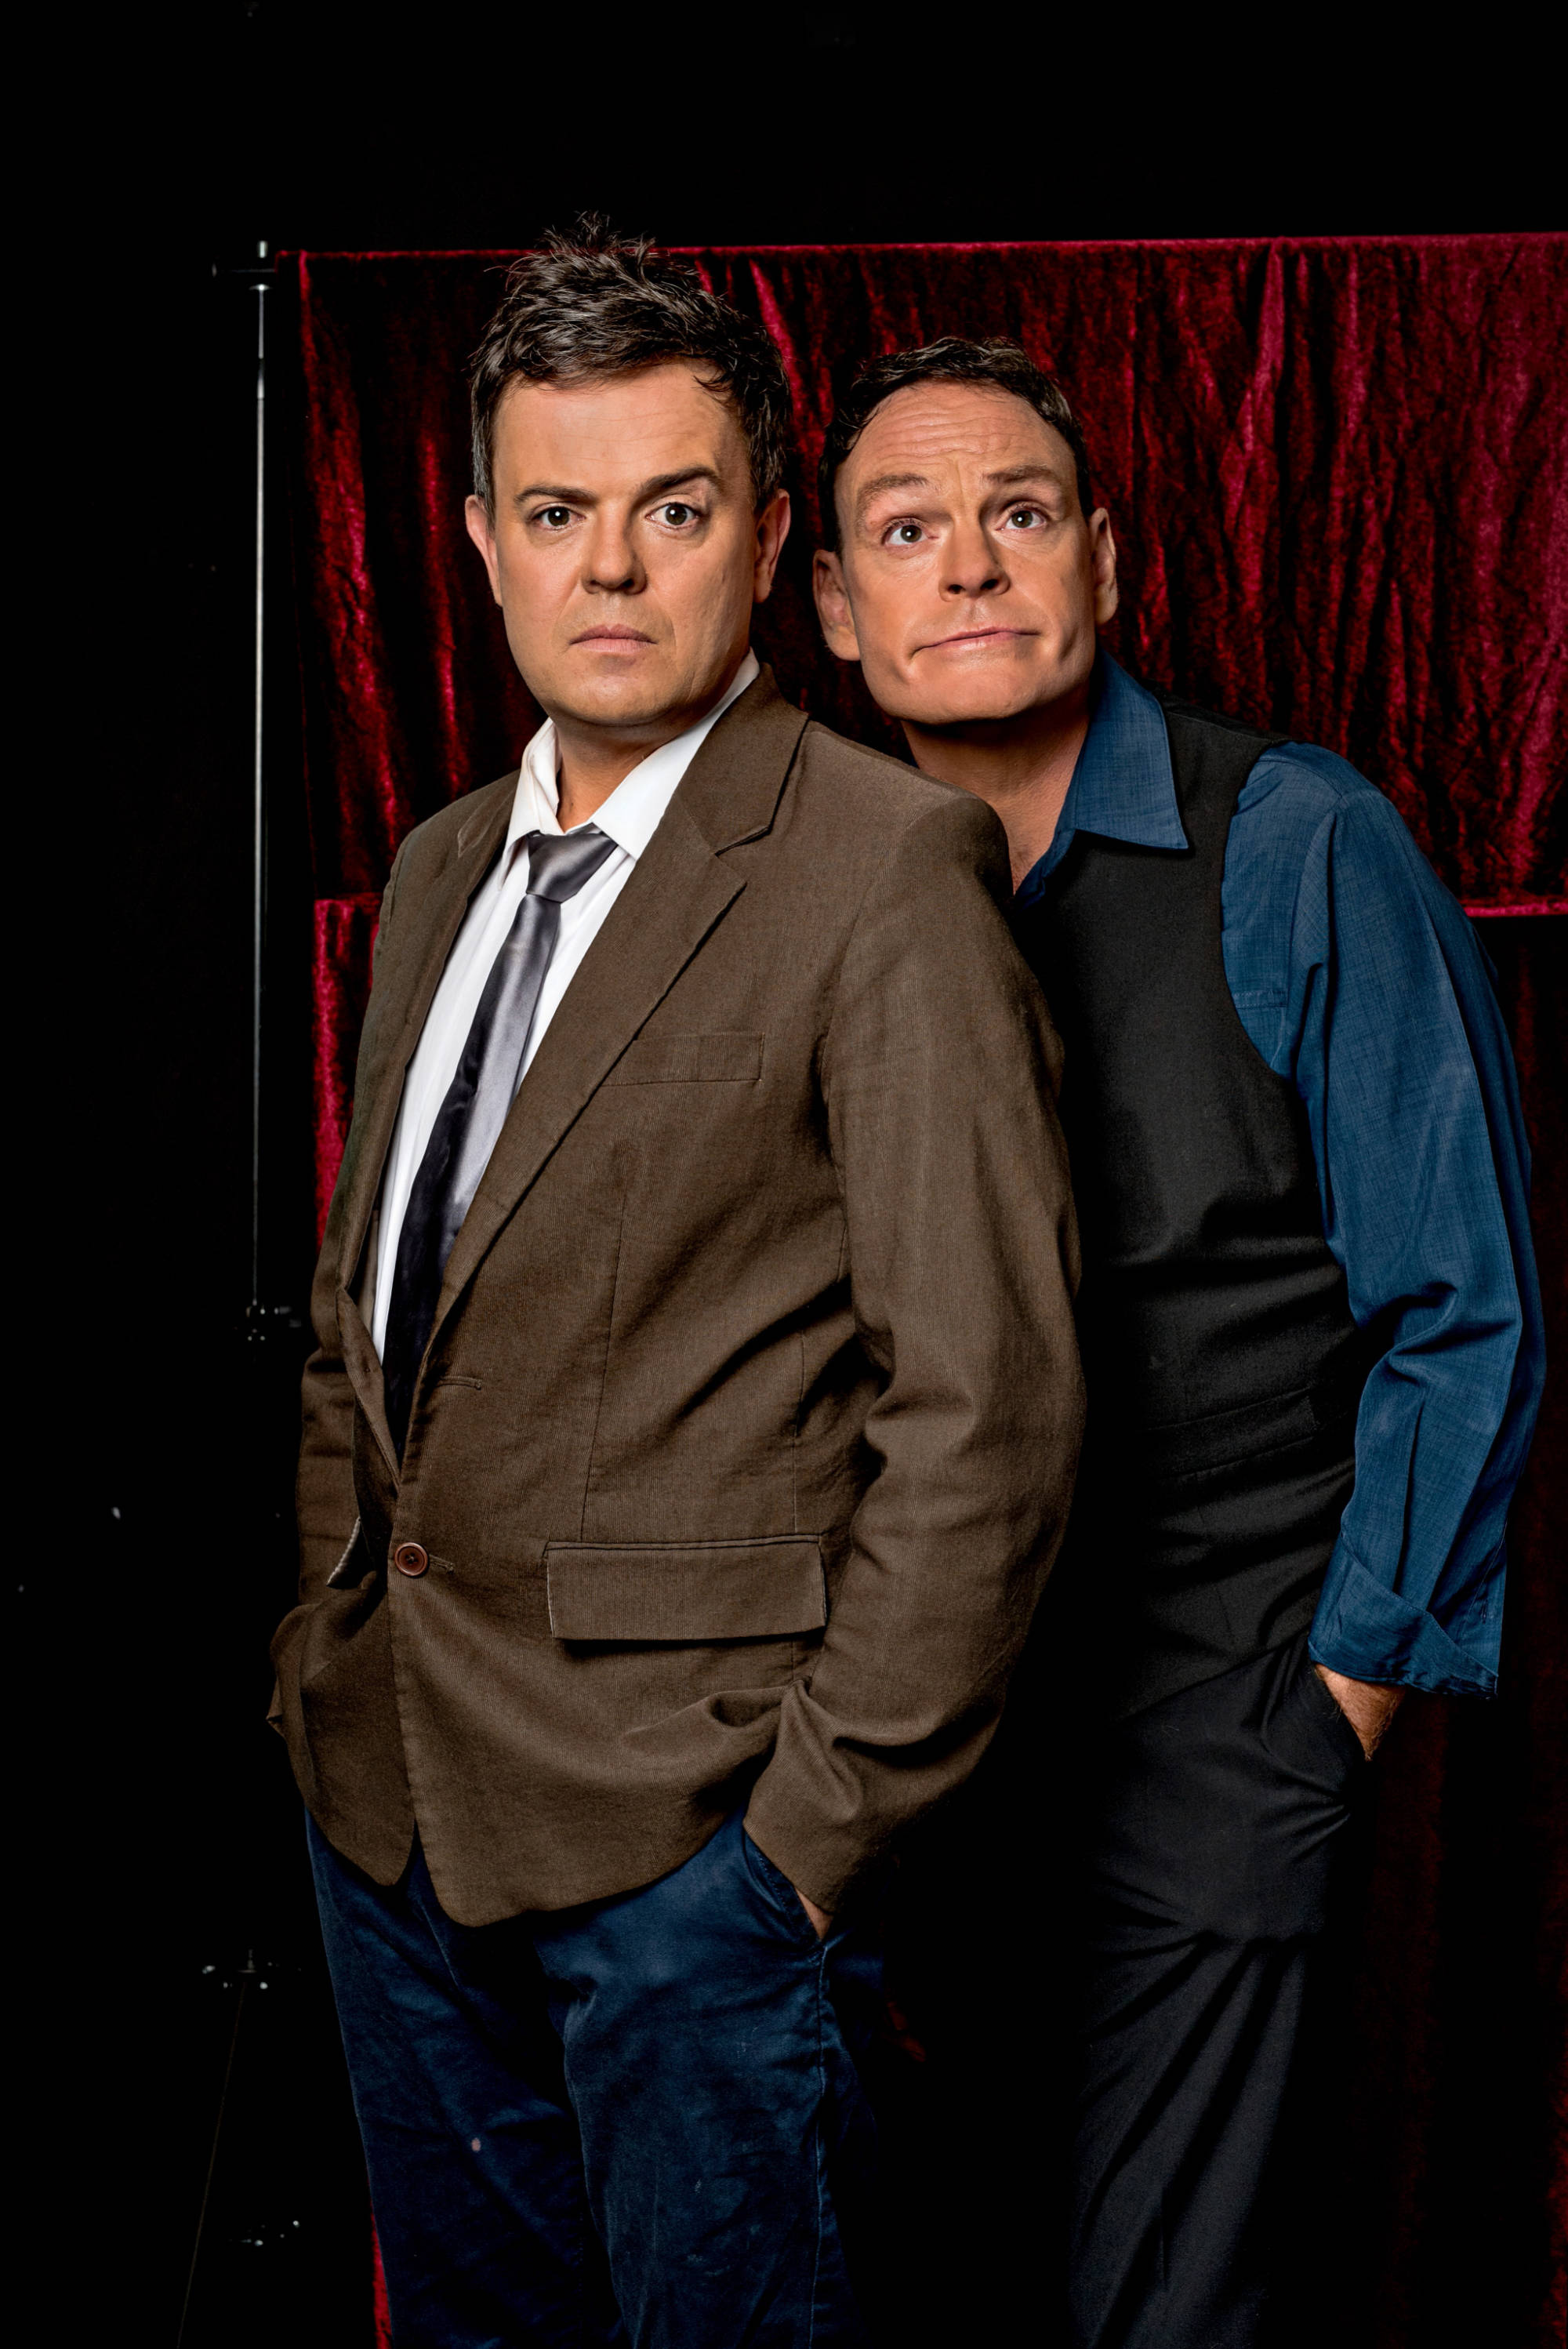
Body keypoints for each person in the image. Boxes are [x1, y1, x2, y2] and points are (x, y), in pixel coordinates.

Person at [269, 241, 1083, 2347]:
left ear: (765, 534)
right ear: (480, 541)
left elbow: (988, 1415)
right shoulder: (440, 867)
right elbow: (371, 1321)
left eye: (675, 507)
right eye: (558, 510)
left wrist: (793, 1853)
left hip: (696, 1867)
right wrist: (322, 1652)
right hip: (393, 1819)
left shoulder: (882, 867)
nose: (611, 567)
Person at [811, 337, 1544, 2349]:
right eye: (908, 530)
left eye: (1019, 514)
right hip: (911, 1749)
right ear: (837, 607)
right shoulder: (804, 885)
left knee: (1162, 2305)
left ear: (1107, 562)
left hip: (1218, 1703)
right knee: (933, 2274)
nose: (971, 564)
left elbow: (1463, 1309)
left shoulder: (1299, 840)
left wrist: (1327, 1714)